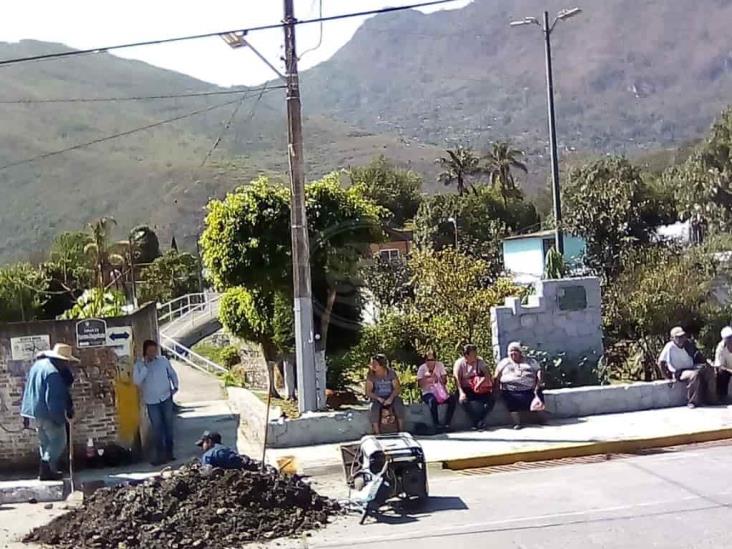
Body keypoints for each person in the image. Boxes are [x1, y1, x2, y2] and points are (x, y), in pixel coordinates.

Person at [20, 343, 78, 481]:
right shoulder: (53, 373)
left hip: (34, 412)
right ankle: (46, 468)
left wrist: (25, 414)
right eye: (66, 361)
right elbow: (53, 399)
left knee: (45, 443)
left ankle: (48, 471)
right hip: (48, 413)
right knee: (59, 441)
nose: (67, 364)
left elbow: (28, 389)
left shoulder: (38, 366)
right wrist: (61, 419)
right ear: (62, 360)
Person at [133, 339, 179, 465]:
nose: (153, 353)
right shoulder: (139, 365)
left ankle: (170, 453)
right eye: (150, 351)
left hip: (166, 398)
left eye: (155, 350)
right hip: (152, 401)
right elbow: (137, 381)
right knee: (157, 428)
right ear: (145, 351)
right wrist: (145, 367)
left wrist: (175, 386)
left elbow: (172, 374)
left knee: (168, 426)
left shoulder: (163, 361)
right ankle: (160, 455)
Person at [658, 326, 716, 408]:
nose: (681, 339)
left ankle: (711, 399)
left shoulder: (688, 344)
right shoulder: (669, 347)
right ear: (672, 338)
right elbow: (661, 363)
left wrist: (707, 364)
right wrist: (666, 377)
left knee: (708, 370)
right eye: (678, 337)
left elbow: (698, 355)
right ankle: (692, 401)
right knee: (694, 375)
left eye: (682, 336)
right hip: (679, 371)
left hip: (691, 367)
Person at [495, 342, 544, 430]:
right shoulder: (504, 362)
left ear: (520, 352)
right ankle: (517, 422)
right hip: (510, 390)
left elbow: (538, 371)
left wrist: (538, 383)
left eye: (515, 351)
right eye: (511, 351)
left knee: (538, 395)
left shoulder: (529, 361)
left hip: (529, 389)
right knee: (510, 399)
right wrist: (496, 389)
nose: (513, 353)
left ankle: (539, 418)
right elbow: (497, 376)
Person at [453, 344, 494, 430]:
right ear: (466, 355)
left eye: (475, 353)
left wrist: (479, 384)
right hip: (465, 388)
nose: (475, 356)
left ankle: (480, 419)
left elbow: (487, 374)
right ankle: (477, 422)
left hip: (478, 387)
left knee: (491, 399)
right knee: (463, 401)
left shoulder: (479, 361)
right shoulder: (459, 363)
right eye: (473, 354)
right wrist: (461, 392)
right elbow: (457, 379)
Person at [417, 351, 457, 432]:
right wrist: (426, 378)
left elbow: (445, 381)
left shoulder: (440, 365)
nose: (430, 362)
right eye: (428, 360)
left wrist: (437, 377)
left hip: (440, 392)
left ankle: (447, 424)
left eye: (432, 360)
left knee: (453, 399)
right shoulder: (422, 368)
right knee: (432, 400)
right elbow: (420, 385)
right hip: (428, 392)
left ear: (435, 360)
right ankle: (436, 424)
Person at [365, 354, 405, 434]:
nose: (373, 366)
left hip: (391, 396)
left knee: (398, 405)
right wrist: (378, 398)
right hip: (377, 397)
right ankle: (377, 432)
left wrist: (390, 398)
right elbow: (368, 392)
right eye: (372, 364)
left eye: (375, 364)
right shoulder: (371, 375)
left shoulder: (391, 373)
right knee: (374, 408)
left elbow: (397, 388)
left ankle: (401, 430)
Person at [714, 326, 732, 403]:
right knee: (721, 372)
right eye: (728, 338)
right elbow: (719, 365)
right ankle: (722, 397)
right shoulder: (720, 347)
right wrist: (730, 370)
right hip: (727, 369)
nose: (731, 340)